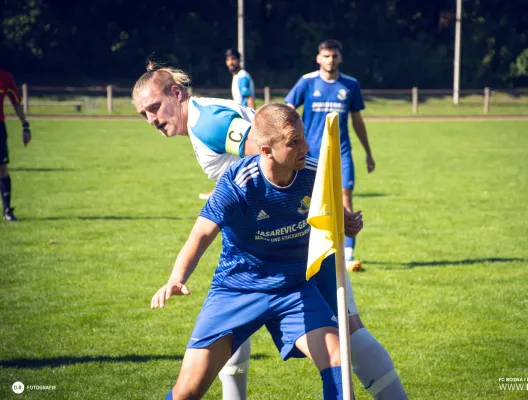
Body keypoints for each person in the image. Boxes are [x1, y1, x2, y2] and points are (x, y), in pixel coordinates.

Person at [133, 63, 408, 400]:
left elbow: (270, 155)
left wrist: (328, 212)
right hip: (254, 256)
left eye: (154, 107)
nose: (152, 119)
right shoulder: (207, 115)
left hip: (299, 246)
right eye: (144, 114)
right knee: (223, 352)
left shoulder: (208, 123)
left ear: (176, 93)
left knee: (349, 335)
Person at [151, 103, 365, 400]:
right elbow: (201, 233)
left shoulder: (313, 172)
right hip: (237, 290)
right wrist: (177, 277)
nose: (305, 146)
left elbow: (334, 214)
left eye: (303, 137)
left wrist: (348, 223)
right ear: (265, 150)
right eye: (294, 142)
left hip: (294, 290)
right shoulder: (238, 183)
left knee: (337, 361)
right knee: (187, 391)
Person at [285, 39, 375, 273]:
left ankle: (347, 255)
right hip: (310, 153)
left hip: (341, 153)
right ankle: (303, 250)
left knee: (345, 199)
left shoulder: (350, 85)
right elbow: (287, 109)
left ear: (340, 58)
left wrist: (368, 152)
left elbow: (357, 121)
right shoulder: (306, 82)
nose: (330, 60)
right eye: (326, 56)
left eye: (334, 56)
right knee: (305, 202)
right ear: (318, 58)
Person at [198, 49, 256, 200]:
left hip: (243, 122)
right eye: (228, 60)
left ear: (239, 60)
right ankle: (223, 190)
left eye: (233, 59)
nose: (230, 62)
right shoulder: (237, 76)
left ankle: (223, 192)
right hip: (240, 121)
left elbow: (249, 98)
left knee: (229, 159)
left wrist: (254, 122)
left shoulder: (242, 77)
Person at [0, 69, 31, 221]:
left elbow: (16, 101)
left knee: (2, 168)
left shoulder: (5, 77)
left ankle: (7, 211)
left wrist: (25, 125)